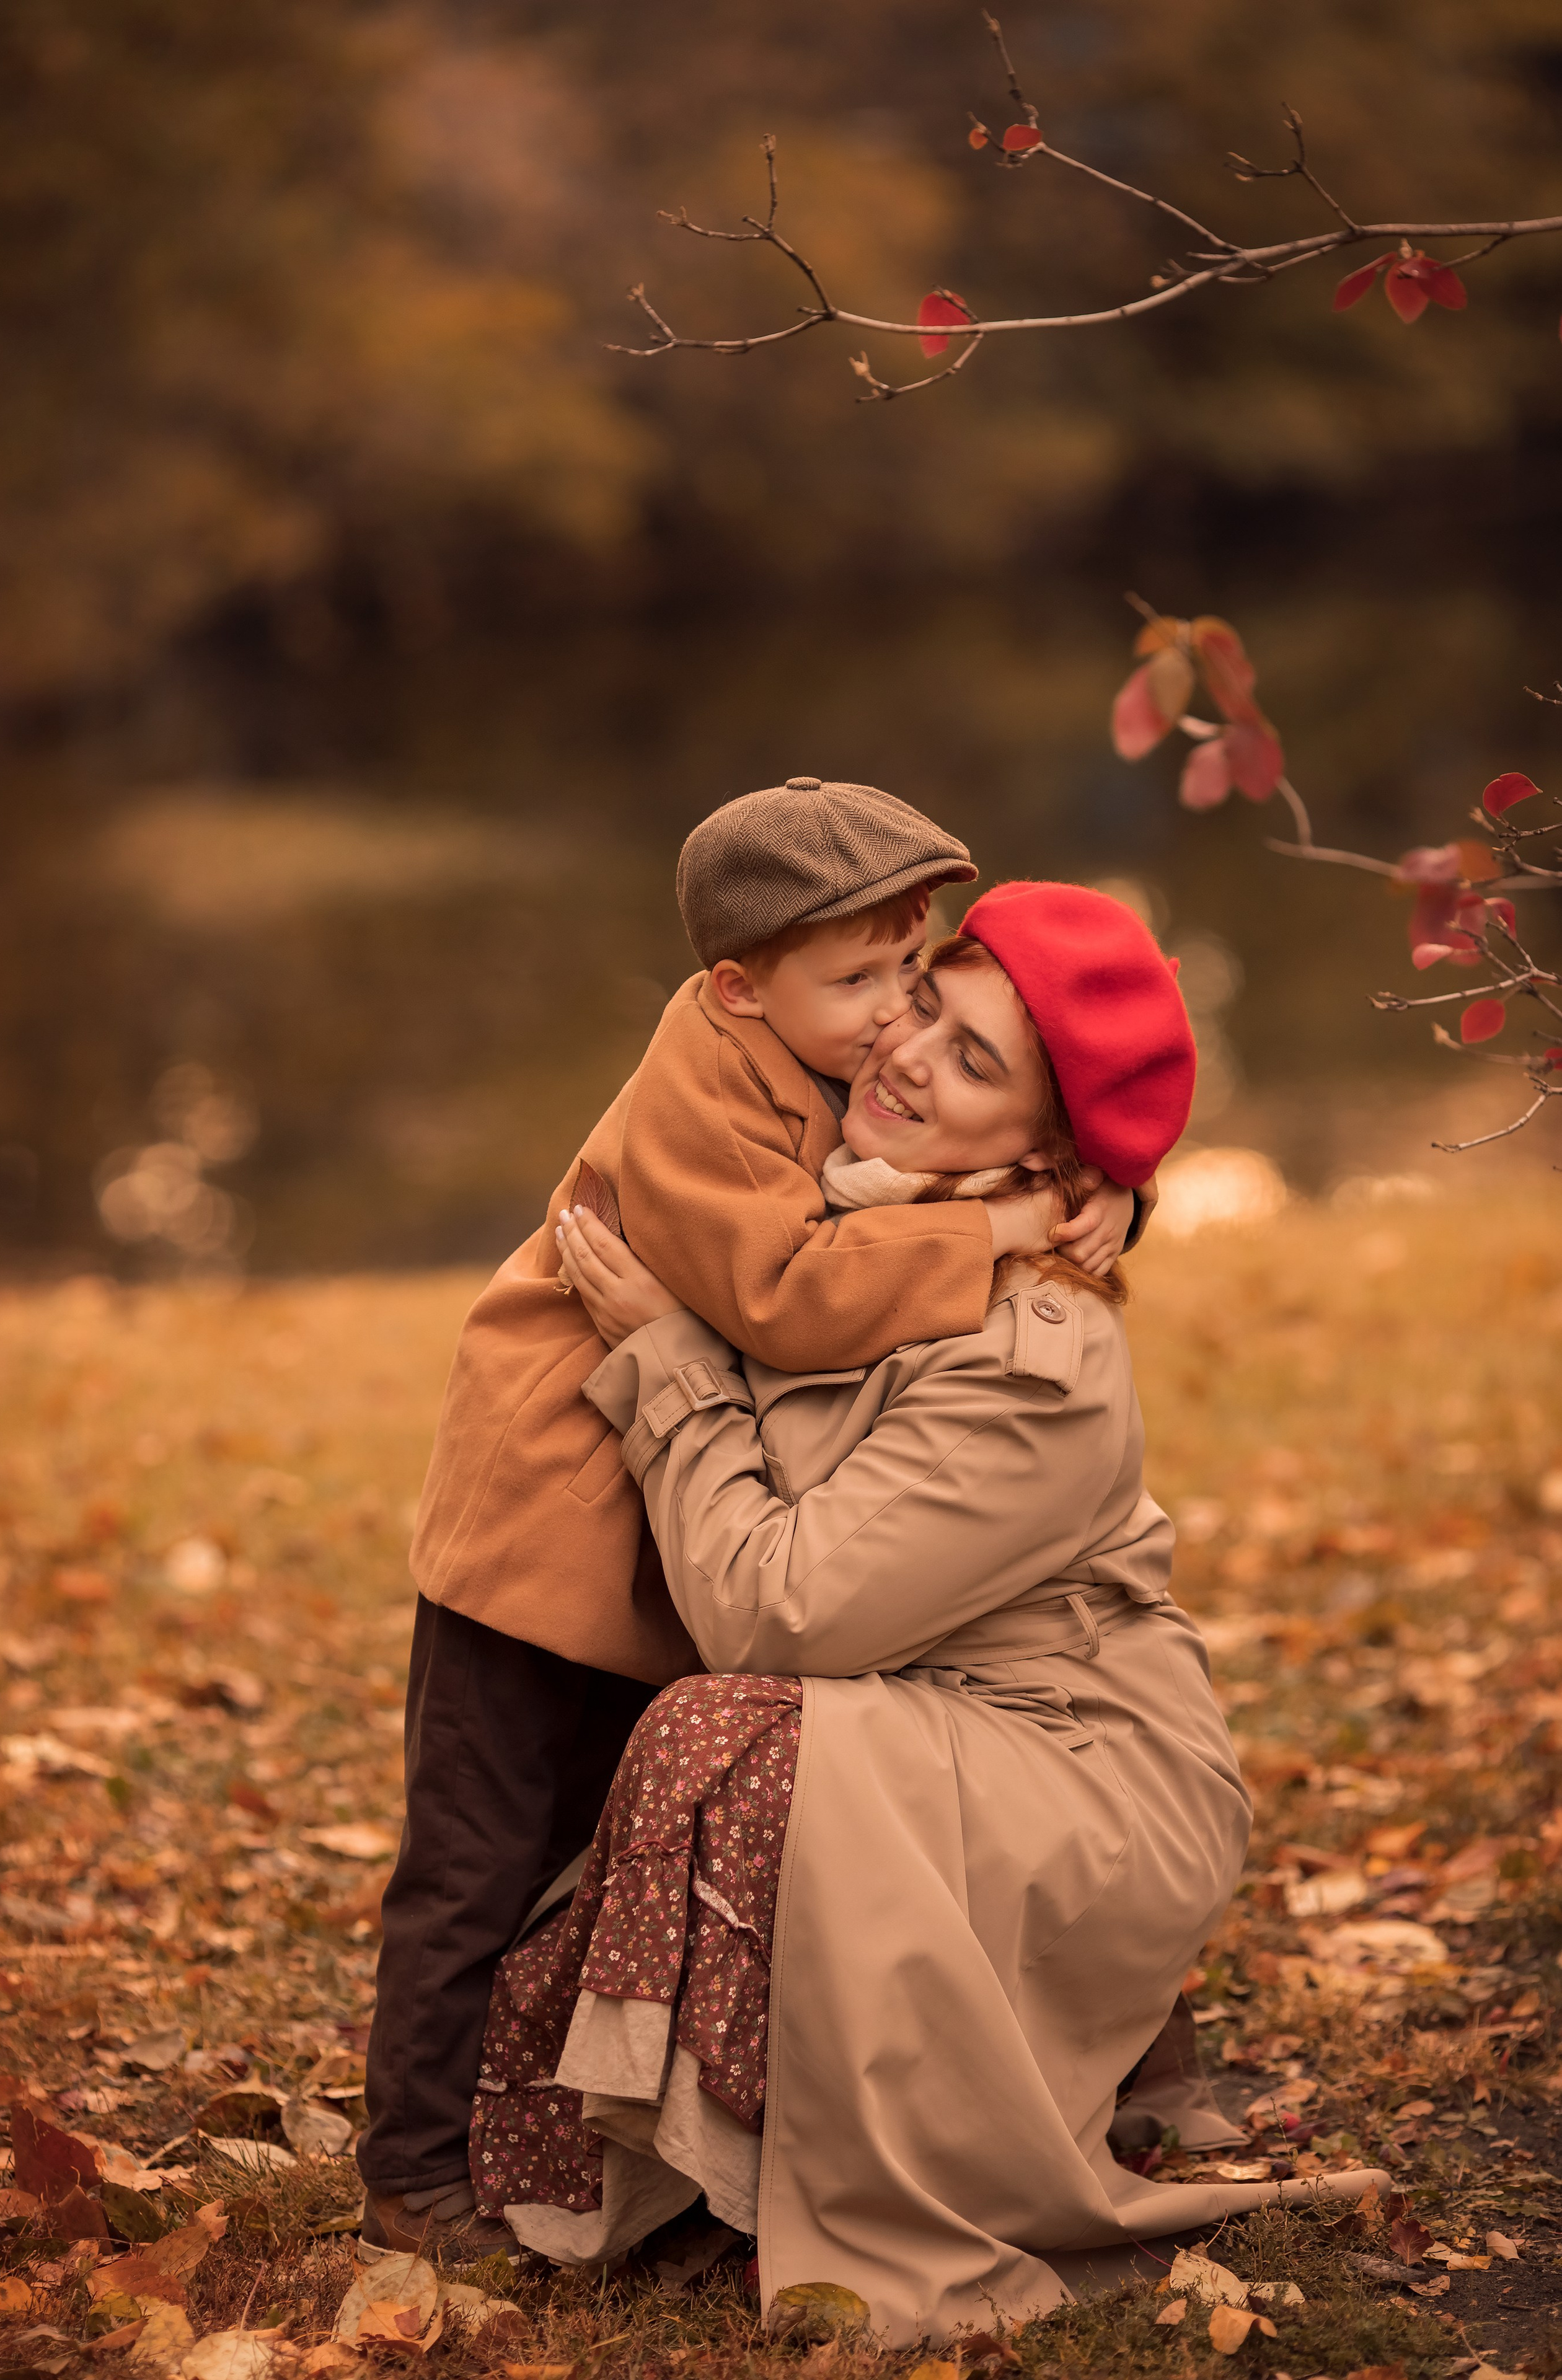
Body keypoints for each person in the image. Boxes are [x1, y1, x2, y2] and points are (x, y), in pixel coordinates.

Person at [469, 882, 1388, 2342]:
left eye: (971, 1062)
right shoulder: (842, 1221)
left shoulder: (1035, 1351)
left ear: (1040, 1152)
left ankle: (813, 2157)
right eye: (921, 1003)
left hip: (1076, 1765)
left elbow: (779, 1615)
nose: (900, 1053)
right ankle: (738, 2147)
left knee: (731, 1737)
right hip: (915, 1700)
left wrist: (667, 1363)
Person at [358, 785, 1149, 2262]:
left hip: (647, 1551)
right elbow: (792, 1301)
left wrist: (1101, 1182)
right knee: (474, 1857)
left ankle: (544, 2126)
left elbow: (966, 1139)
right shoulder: (700, 1093)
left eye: (911, 978)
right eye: (857, 986)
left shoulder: (815, 1052)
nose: (892, 1023)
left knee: (582, 1854)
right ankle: (409, 2173)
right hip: (541, 1540)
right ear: (739, 986)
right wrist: (1005, 1227)